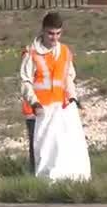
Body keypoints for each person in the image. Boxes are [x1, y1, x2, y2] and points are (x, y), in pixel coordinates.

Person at [19, 11, 82, 171]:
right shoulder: (31, 53)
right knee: (40, 151)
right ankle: (36, 185)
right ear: (43, 31)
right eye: (51, 33)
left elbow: (68, 77)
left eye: (58, 34)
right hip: (37, 112)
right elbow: (25, 82)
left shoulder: (65, 52)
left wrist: (73, 98)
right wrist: (35, 103)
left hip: (58, 112)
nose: (54, 38)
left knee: (59, 151)